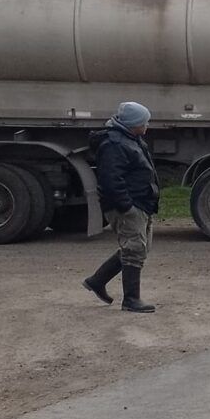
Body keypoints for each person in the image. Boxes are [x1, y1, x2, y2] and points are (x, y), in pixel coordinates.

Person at [82, 102, 159, 313]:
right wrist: (127, 207)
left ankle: (97, 281)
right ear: (133, 124)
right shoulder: (114, 145)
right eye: (144, 122)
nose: (147, 125)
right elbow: (110, 180)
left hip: (141, 203)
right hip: (129, 206)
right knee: (134, 249)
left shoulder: (131, 139)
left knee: (139, 247)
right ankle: (131, 300)